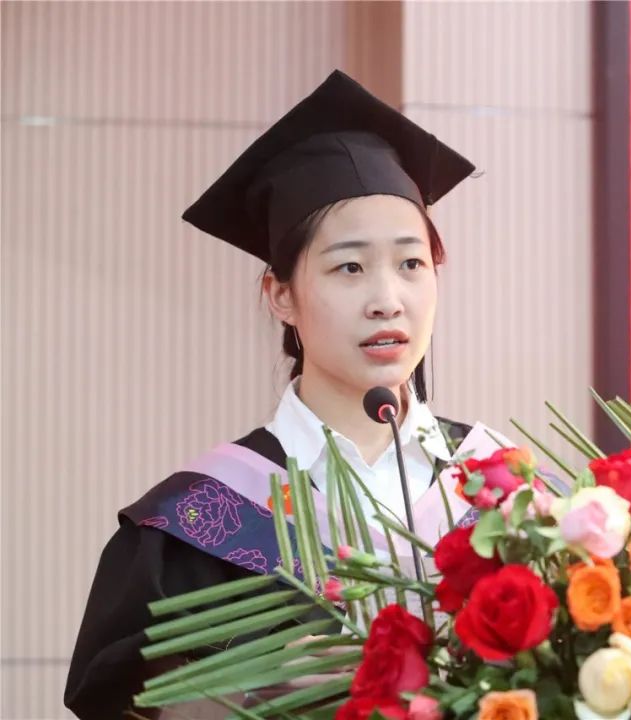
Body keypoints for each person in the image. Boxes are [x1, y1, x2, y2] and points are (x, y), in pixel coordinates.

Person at [64, 69, 478, 720]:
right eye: (349, 267)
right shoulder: (197, 525)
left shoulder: (511, 496)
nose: (387, 300)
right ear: (281, 295)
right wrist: (257, 688)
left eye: (411, 264)